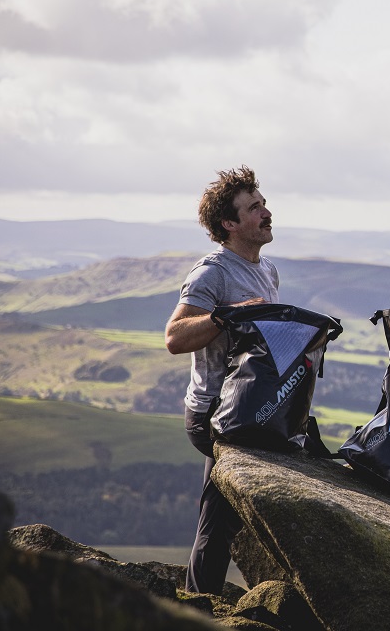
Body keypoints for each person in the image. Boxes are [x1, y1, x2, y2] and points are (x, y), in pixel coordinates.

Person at [165, 166, 279, 594]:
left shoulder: (267, 270)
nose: (266, 213)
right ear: (229, 225)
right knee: (222, 517)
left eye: (263, 203)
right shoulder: (213, 273)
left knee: (220, 516)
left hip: (246, 405)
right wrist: (224, 316)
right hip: (213, 411)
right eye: (254, 208)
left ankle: (200, 600)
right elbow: (174, 338)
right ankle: (201, 604)